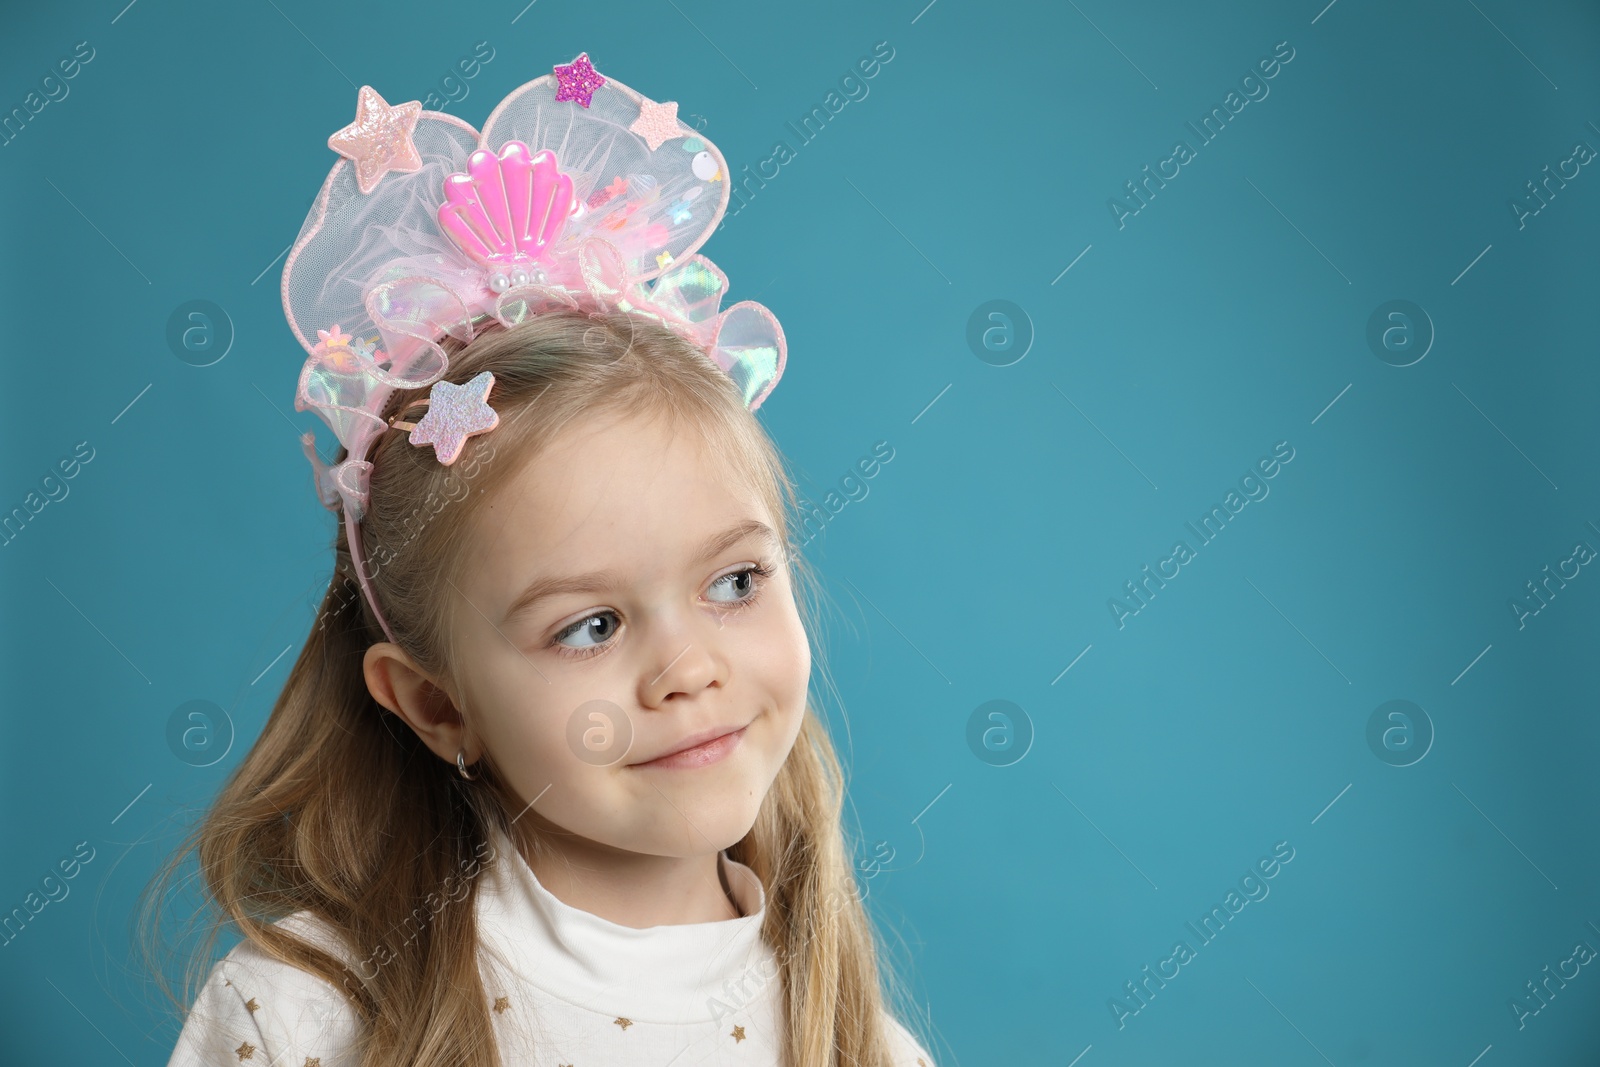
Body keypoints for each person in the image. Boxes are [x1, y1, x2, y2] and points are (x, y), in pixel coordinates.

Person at [155, 52, 938, 1067]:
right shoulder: (308, 1017)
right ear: (438, 706)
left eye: (734, 581)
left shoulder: (860, 1043)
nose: (689, 670)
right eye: (590, 625)